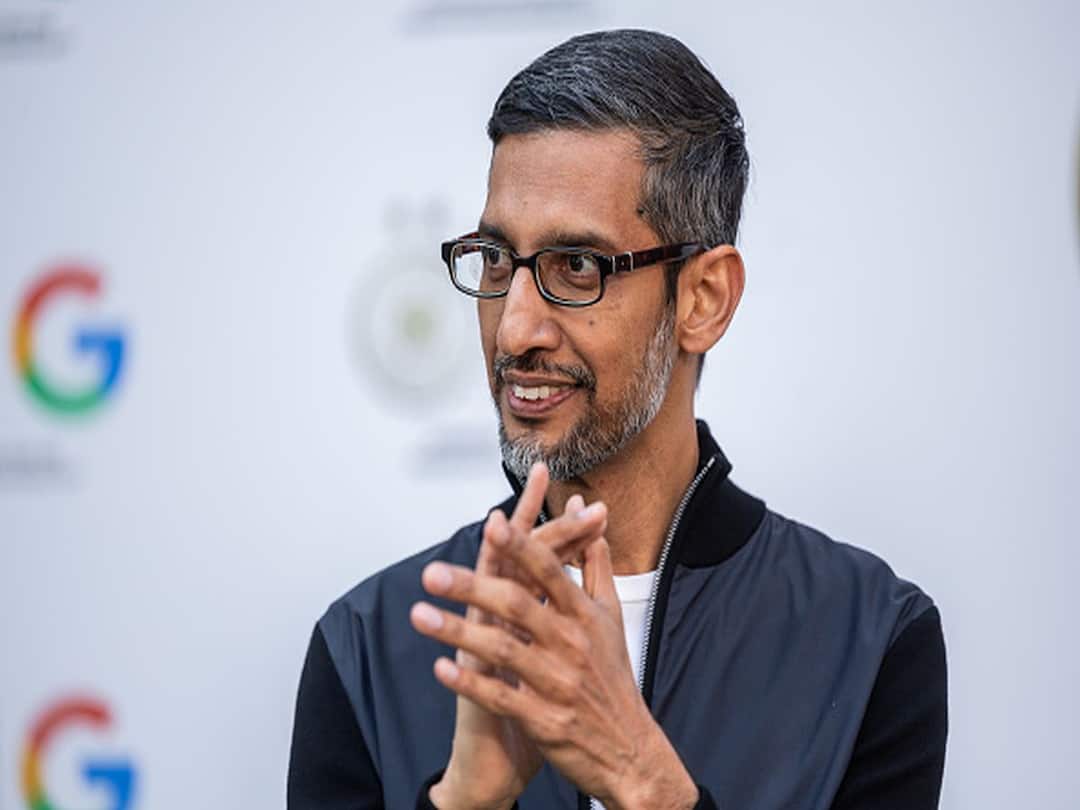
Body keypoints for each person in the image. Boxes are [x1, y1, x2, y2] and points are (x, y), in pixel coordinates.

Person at [287, 29, 947, 810]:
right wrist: (464, 802)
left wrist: (642, 777)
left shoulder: (869, 640)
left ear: (703, 299)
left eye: (576, 266)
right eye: (496, 259)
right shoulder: (366, 648)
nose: (513, 329)